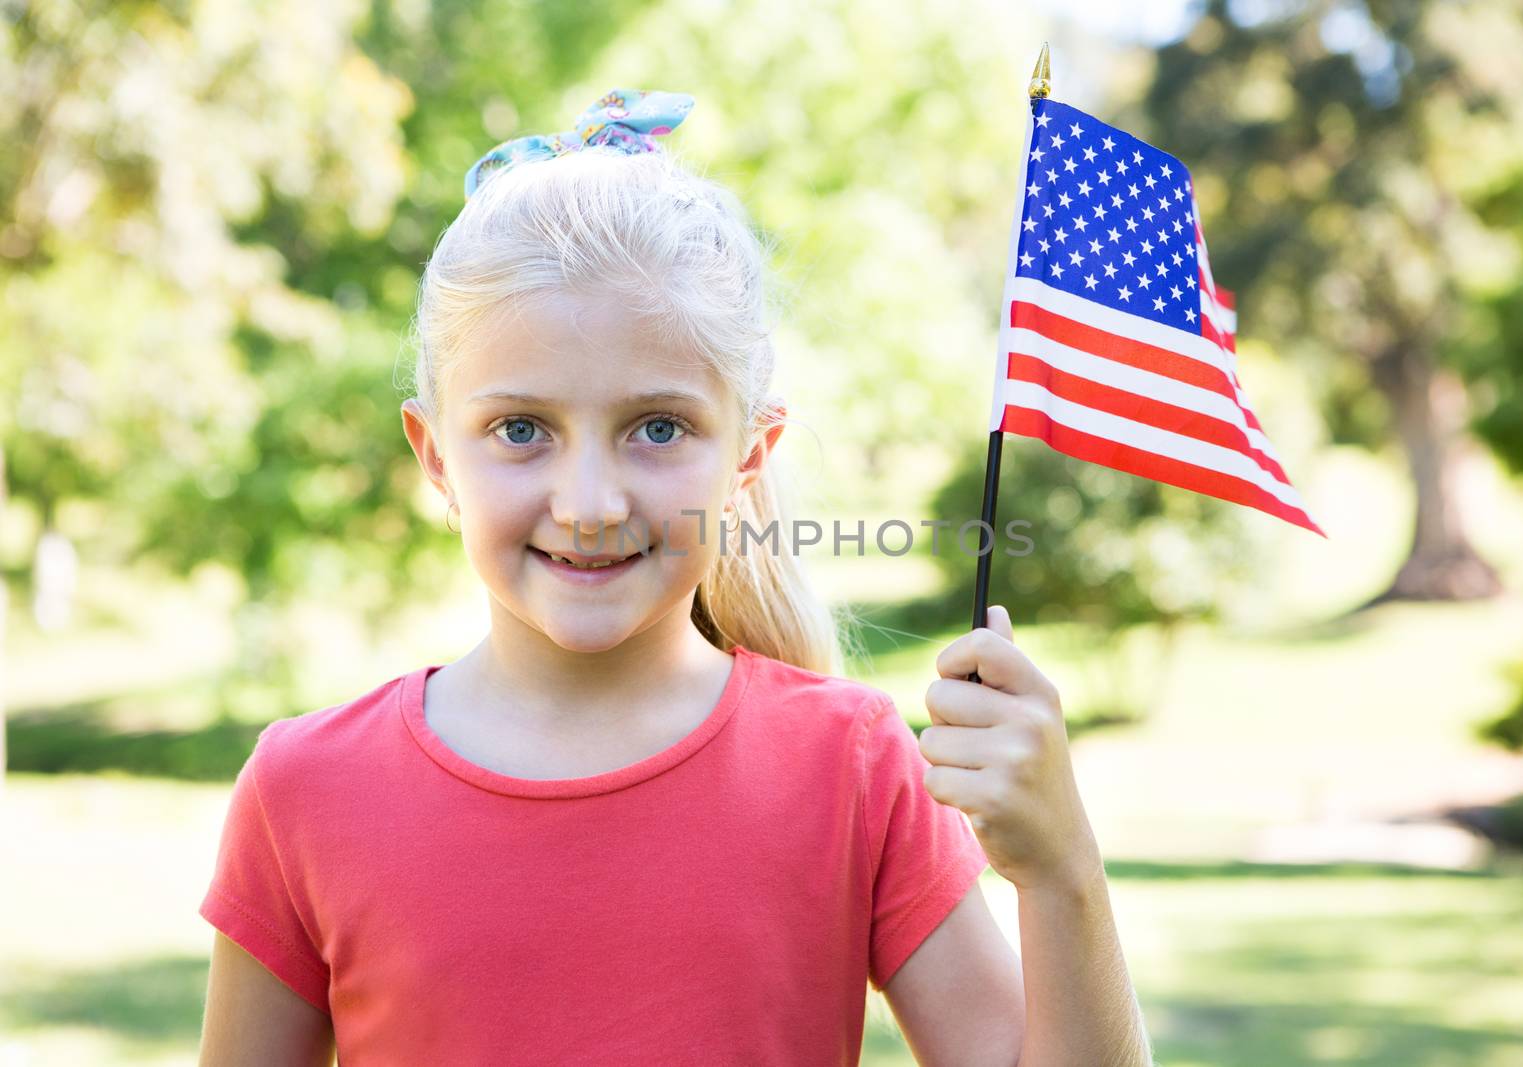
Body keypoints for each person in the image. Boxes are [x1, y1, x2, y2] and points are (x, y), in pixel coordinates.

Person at [196, 87, 1153, 1067]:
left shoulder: (853, 767)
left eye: (658, 427)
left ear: (749, 451)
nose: (591, 502)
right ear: (435, 453)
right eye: (519, 429)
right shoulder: (305, 789)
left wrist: (1061, 870)